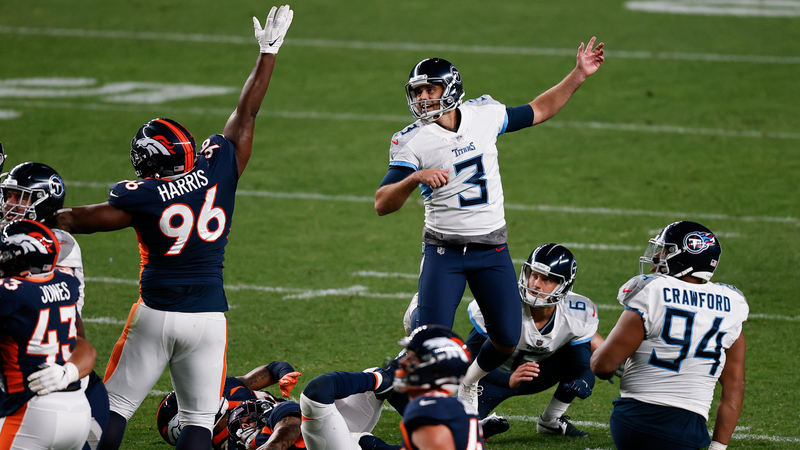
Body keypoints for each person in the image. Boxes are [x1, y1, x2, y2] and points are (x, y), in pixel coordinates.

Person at [54, 5, 294, 449]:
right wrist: (268, 53)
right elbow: (246, 114)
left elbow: (81, 220)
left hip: (157, 312)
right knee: (200, 421)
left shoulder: (140, 197)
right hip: (209, 317)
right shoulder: (219, 171)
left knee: (116, 405)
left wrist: (38, 213)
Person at [373, 38, 605, 411]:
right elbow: (382, 204)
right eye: (417, 91)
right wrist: (413, 179)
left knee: (507, 337)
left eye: (430, 89)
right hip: (444, 251)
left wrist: (578, 75)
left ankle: (468, 384)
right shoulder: (412, 141)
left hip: (492, 248)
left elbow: (539, 109)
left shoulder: (484, 114)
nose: (422, 98)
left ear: (450, 88)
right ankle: (411, 393)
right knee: (431, 342)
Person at [590, 221, 748, 450]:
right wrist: (718, 447)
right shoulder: (732, 304)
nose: (656, 258)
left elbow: (602, 366)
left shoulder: (652, 292)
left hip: (635, 421)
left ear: (684, 258)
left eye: (665, 251)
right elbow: (735, 386)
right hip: (690, 431)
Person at [0, 160, 110, 450]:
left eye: (20, 197)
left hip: (37, 368)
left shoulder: (56, 245)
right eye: (9, 195)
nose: (10, 203)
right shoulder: (26, 241)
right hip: (56, 369)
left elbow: (78, 336)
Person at [466, 243, 599, 437]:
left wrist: (585, 381)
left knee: (573, 355)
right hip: (488, 378)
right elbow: (469, 359)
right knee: (463, 428)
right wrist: (507, 379)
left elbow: (581, 364)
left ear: (563, 286)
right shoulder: (503, 301)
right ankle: (480, 425)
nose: (536, 284)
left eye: (546, 279)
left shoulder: (577, 312)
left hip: (534, 376)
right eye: (534, 275)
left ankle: (551, 421)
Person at [156, 361, 302, 449]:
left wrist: (284, 374)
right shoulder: (234, 442)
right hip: (291, 423)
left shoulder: (221, 388)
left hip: (290, 415)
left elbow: (271, 369)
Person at [393, 325, 483, 450]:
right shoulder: (451, 405)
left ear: (436, 370)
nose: (402, 362)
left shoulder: (427, 407)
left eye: (413, 359)